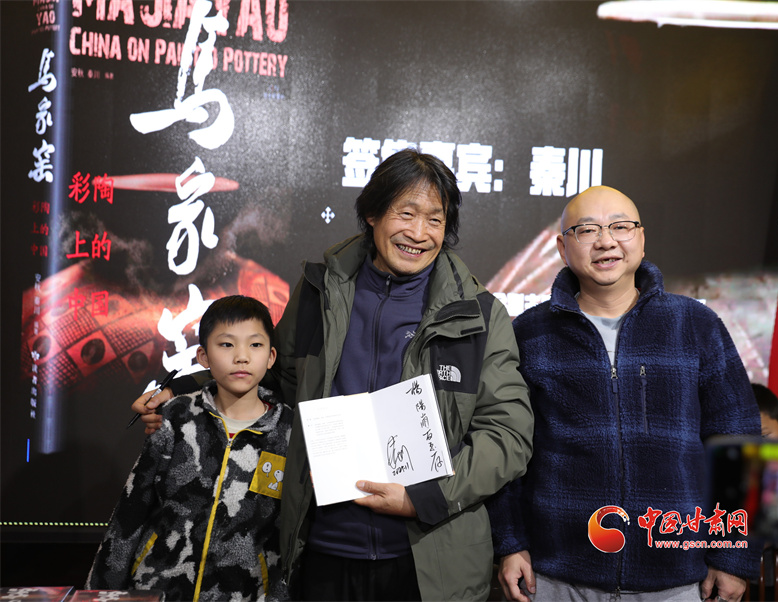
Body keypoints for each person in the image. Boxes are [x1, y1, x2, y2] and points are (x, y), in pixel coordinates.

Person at [131, 148, 534, 601]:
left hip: (431, 562)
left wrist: (423, 497)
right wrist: (185, 392)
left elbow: (508, 436)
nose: (419, 233)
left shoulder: (478, 315)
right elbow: (275, 380)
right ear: (372, 214)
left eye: (435, 220)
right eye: (406, 214)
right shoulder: (318, 292)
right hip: (320, 550)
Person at [487, 186, 761, 602]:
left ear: (641, 238)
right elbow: (505, 450)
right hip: (556, 575)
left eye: (620, 226)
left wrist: (735, 557)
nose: (606, 241)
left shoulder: (695, 324)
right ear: (562, 247)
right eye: (587, 230)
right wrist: (509, 544)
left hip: (676, 576)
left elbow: (742, 442)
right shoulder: (529, 333)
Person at [89, 295, 292, 601]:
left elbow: (288, 535)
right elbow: (131, 511)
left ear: (271, 356)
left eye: (255, 344)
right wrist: (99, 594)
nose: (241, 356)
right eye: (227, 344)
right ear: (203, 356)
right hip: (159, 589)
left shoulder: (287, 431)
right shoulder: (177, 416)